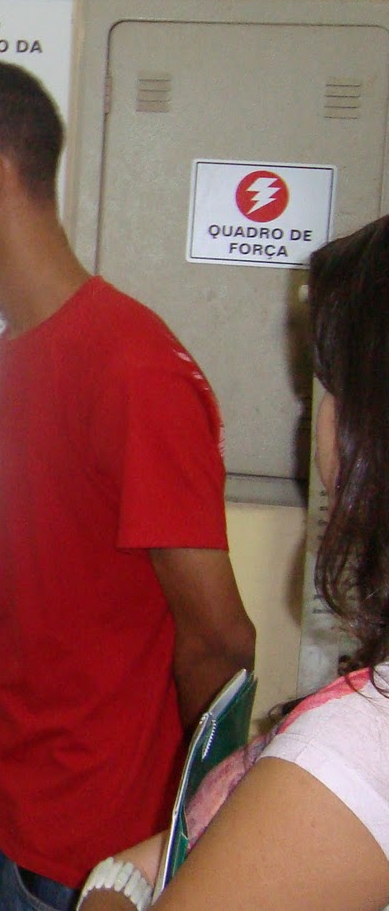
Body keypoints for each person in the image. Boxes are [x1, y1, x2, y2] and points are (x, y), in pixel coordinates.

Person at [0, 60, 256, 910]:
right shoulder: (23, 347)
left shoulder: (131, 368)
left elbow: (223, 639)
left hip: (91, 860)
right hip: (8, 818)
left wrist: (183, 829)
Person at [77, 215, 389, 910]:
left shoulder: (350, 752)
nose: (316, 425)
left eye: (328, 391)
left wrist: (110, 888)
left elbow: (219, 637)